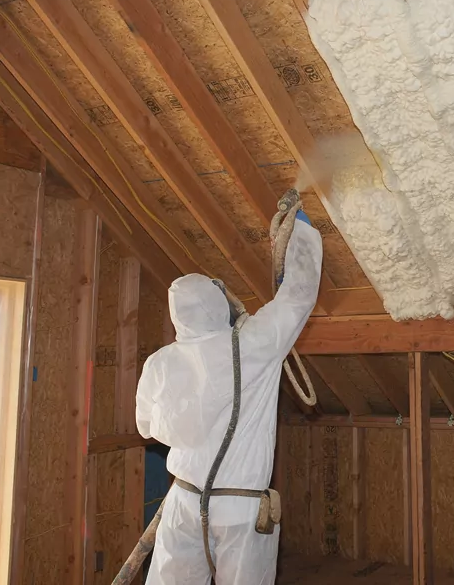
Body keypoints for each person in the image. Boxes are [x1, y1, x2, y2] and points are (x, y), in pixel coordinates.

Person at [135, 209, 322, 585]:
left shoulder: (160, 362)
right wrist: (299, 229)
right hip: (240, 512)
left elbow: (145, 427)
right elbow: (297, 297)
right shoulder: (252, 343)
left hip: (183, 504)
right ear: (216, 305)